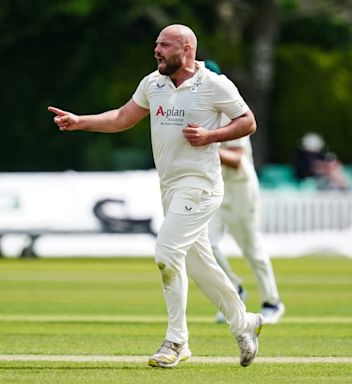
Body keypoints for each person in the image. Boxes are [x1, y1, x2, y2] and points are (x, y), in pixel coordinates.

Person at [49, 24, 264, 368]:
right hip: (170, 186)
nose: (157, 50)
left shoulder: (214, 84)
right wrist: (80, 121)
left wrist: (211, 136)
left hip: (202, 185)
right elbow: (122, 117)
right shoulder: (153, 83)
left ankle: (176, 341)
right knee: (199, 264)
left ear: (187, 49)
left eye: (165, 45)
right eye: (156, 44)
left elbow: (248, 122)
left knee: (166, 252)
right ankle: (244, 323)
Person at [204, 60, 285, 325]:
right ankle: (234, 289)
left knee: (251, 246)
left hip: (239, 187)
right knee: (205, 243)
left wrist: (206, 144)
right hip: (214, 186)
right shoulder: (201, 111)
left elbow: (237, 157)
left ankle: (272, 301)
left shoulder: (231, 113)